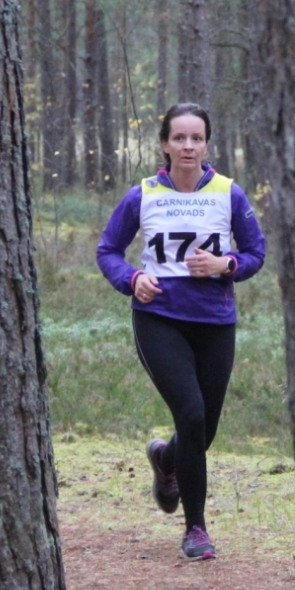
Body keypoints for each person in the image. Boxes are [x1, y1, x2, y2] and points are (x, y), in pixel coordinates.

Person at [96, 103, 266, 561]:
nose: (187, 146)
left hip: (214, 322)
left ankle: (167, 460)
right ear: (165, 144)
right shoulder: (143, 195)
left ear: (207, 143)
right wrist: (132, 279)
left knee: (204, 429)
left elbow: (255, 253)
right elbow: (109, 249)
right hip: (159, 319)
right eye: (179, 138)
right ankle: (196, 529)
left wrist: (225, 264)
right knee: (190, 415)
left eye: (196, 138)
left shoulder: (229, 193)